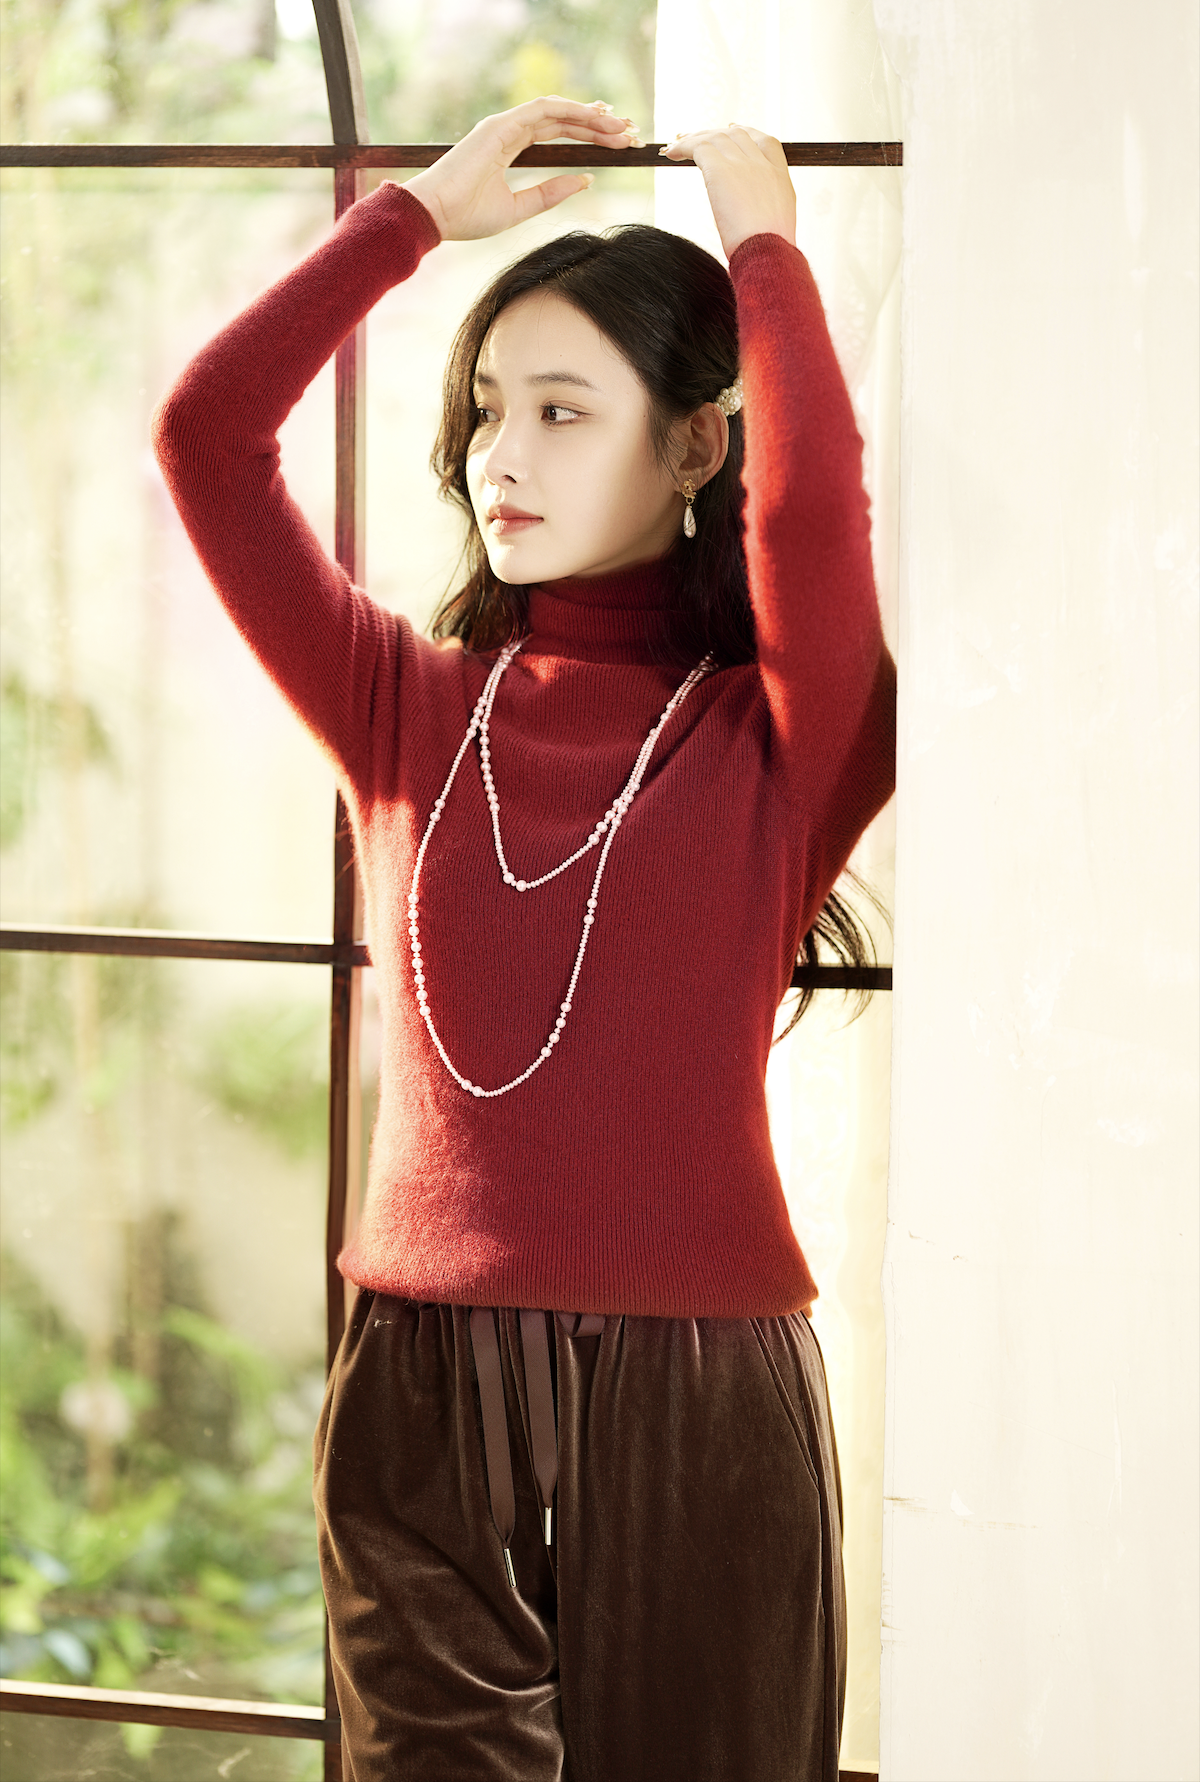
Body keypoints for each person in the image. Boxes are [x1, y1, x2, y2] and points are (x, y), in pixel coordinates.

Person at [153, 96, 895, 1782]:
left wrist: (764, 250)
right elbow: (206, 438)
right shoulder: (403, 709)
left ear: (694, 449)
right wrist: (411, 218)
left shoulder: (781, 744)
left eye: (564, 411)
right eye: (489, 406)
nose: (503, 452)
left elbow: (812, 529)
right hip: (420, 1391)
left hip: (702, 1401)